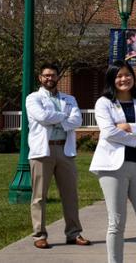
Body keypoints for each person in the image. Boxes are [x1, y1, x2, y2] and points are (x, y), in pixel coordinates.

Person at [90, 60, 136, 263]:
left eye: (127, 75)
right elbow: (109, 132)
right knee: (117, 223)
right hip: (112, 168)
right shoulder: (104, 103)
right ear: (112, 79)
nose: (123, 79)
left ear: (133, 77)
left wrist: (127, 126)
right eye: (118, 76)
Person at [26, 62, 91, 249]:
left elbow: (77, 119)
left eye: (53, 75)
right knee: (39, 196)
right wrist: (64, 117)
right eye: (46, 75)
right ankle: (39, 234)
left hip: (65, 150)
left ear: (57, 78)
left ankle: (74, 233)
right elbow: (42, 117)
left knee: (70, 195)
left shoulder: (69, 98)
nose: (49, 78)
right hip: (42, 151)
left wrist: (57, 119)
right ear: (40, 78)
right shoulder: (33, 98)